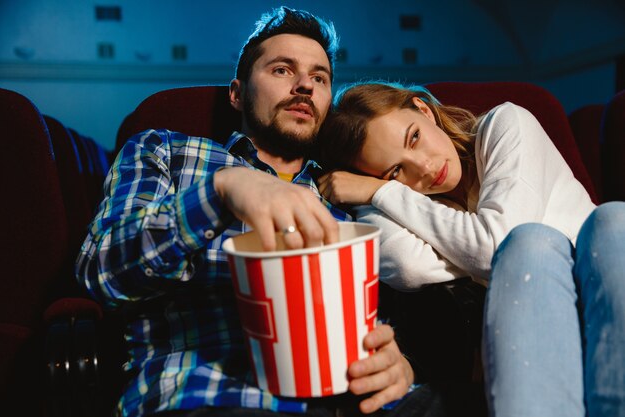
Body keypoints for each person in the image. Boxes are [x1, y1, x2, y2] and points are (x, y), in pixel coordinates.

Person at [75, 8, 437, 417]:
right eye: (282, 70)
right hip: (215, 395)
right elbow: (100, 271)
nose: (304, 85)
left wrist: (397, 362)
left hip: (350, 400)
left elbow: (386, 312)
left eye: (319, 78)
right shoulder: (167, 151)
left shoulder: (348, 192)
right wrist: (219, 192)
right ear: (236, 92)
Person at [316, 81, 625, 416]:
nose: (424, 168)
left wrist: (384, 192)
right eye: (395, 172)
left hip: (606, 301)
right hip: (533, 342)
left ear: (424, 110)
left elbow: (495, 246)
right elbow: (408, 265)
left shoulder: (505, 123)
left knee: (610, 219)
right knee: (529, 246)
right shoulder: (391, 201)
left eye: (414, 138)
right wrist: (376, 197)